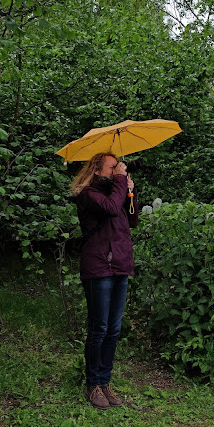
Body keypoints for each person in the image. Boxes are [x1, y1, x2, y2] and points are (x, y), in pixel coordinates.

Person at [70, 152, 139, 409]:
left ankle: (105, 381)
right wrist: (121, 182)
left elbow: (131, 220)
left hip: (120, 265)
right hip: (98, 266)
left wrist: (130, 192)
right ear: (98, 170)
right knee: (99, 329)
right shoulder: (89, 194)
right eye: (113, 168)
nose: (117, 170)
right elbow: (110, 209)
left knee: (114, 329)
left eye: (117, 168)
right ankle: (93, 385)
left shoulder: (117, 191)